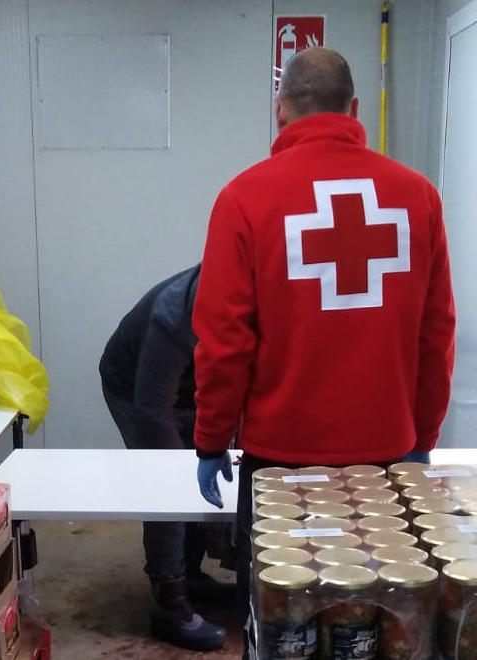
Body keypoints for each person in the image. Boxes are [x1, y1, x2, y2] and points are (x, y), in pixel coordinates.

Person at [191, 47, 456, 653]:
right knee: (382, 630)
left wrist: (210, 438)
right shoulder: (417, 197)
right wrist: (422, 436)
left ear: (280, 111)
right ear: (355, 108)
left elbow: (224, 341)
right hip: (387, 457)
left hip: (280, 464)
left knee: (280, 628)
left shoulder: (244, 198)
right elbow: (437, 332)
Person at [99, 263, 227, 651]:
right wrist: (190, 461)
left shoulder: (257, 296)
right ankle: (169, 598)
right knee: (170, 481)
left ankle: (189, 571)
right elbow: (152, 413)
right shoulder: (174, 314)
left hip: (194, 385)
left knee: (222, 469)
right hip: (133, 385)